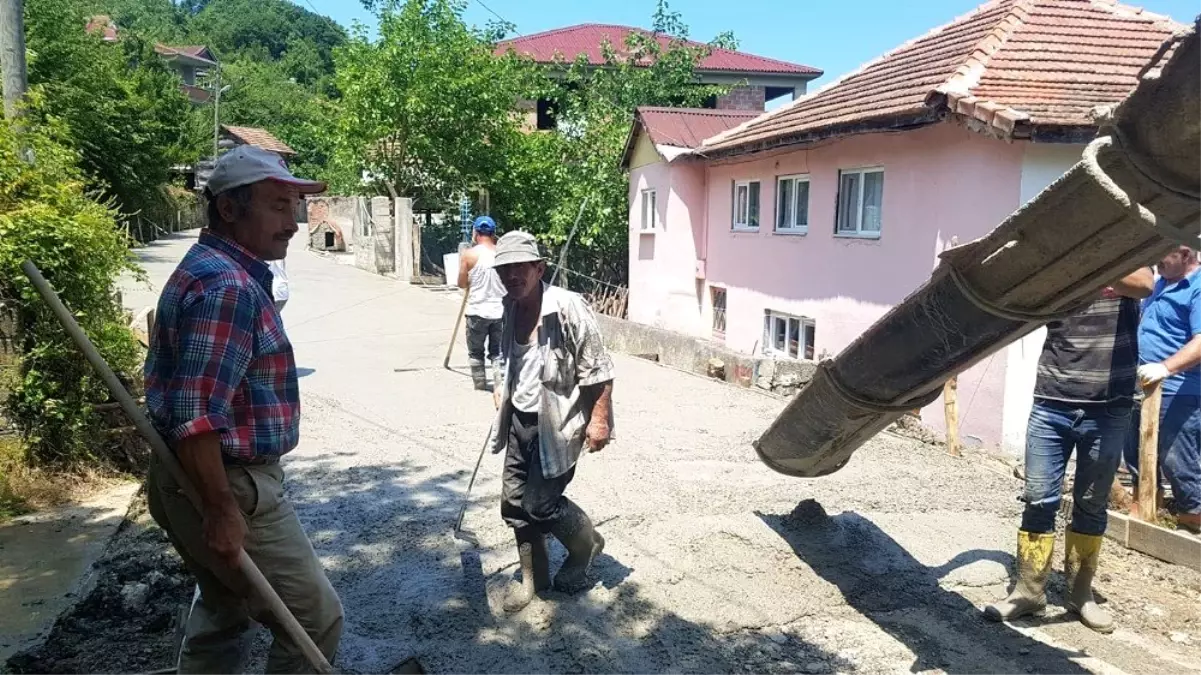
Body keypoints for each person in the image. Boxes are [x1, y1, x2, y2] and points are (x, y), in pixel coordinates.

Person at [143, 146, 342, 673]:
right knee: (314, 622)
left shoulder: (212, 268)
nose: (294, 223)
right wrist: (222, 509)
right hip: (229, 484)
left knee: (225, 604)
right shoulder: (228, 287)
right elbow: (197, 415)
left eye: (294, 207)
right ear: (229, 209)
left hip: (190, 479)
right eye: (279, 206)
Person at [985, 268, 1153, 634]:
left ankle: (1080, 594)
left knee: (1091, 504)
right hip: (1051, 401)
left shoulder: (1127, 250)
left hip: (1109, 405)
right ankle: (1028, 592)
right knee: (1038, 499)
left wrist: (1092, 266)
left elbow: (1145, 284)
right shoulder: (1056, 266)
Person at [489, 231, 616, 612]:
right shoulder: (508, 305)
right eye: (504, 268)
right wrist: (501, 387)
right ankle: (535, 578)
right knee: (513, 504)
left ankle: (586, 546)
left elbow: (601, 369)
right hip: (518, 421)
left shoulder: (567, 307)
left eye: (519, 267)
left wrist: (600, 421)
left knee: (540, 505)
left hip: (559, 424)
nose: (512, 275)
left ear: (539, 268)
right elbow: (506, 356)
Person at [1128, 245, 1201, 535]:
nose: (1157, 261)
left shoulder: (1197, 287)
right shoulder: (1160, 284)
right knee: (1135, 448)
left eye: (1164, 254)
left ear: (1185, 253)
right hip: (1145, 383)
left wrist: (1166, 368)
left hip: (1179, 387)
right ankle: (1146, 504)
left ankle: (1192, 516)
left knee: (1175, 453)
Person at [457, 216, 506, 391]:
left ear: (476, 233)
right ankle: (500, 384)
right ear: (493, 234)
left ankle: (480, 384)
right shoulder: (502, 254)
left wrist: (471, 279)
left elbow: (462, 283)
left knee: (476, 352)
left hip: (477, 311)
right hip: (500, 311)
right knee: (497, 352)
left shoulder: (469, 255)